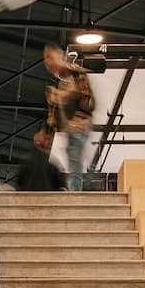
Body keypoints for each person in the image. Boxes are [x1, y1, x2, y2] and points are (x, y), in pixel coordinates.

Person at [43, 45, 95, 191]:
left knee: (75, 164)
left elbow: (87, 97)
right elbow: (54, 114)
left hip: (78, 127)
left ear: (59, 58)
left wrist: (80, 118)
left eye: (49, 58)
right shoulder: (62, 82)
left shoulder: (75, 74)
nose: (48, 64)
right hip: (70, 130)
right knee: (73, 163)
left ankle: (75, 196)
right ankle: (74, 193)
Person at [13, 126, 67, 192]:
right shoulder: (52, 162)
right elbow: (61, 186)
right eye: (46, 139)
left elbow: (19, 183)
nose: (48, 142)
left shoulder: (27, 159)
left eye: (49, 139)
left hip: (28, 199)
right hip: (46, 199)